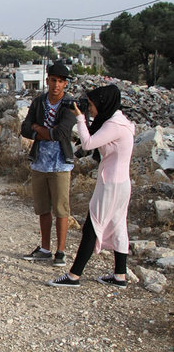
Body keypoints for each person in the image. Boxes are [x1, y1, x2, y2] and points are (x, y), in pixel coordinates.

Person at [48, 85, 134, 288]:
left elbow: (87, 144)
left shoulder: (114, 125)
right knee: (119, 226)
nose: (91, 109)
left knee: (92, 227)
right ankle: (119, 275)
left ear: (103, 104)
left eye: (92, 105)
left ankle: (74, 275)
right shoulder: (121, 121)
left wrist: (79, 117)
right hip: (120, 183)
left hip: (111, 184)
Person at [20, 62, 75, 266]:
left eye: (61, 82)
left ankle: (60, 251)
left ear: (65, 84)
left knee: (61, 209)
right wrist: (38, 130)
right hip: (40, 162)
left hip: (61, 164)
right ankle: (45, 248)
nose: (56, 85)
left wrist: (38, 129)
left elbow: (60, 134)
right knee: (43, 208)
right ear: (47, 80)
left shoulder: (69, 105)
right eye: (53, 80)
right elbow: (25, 128)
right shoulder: (39, 102)